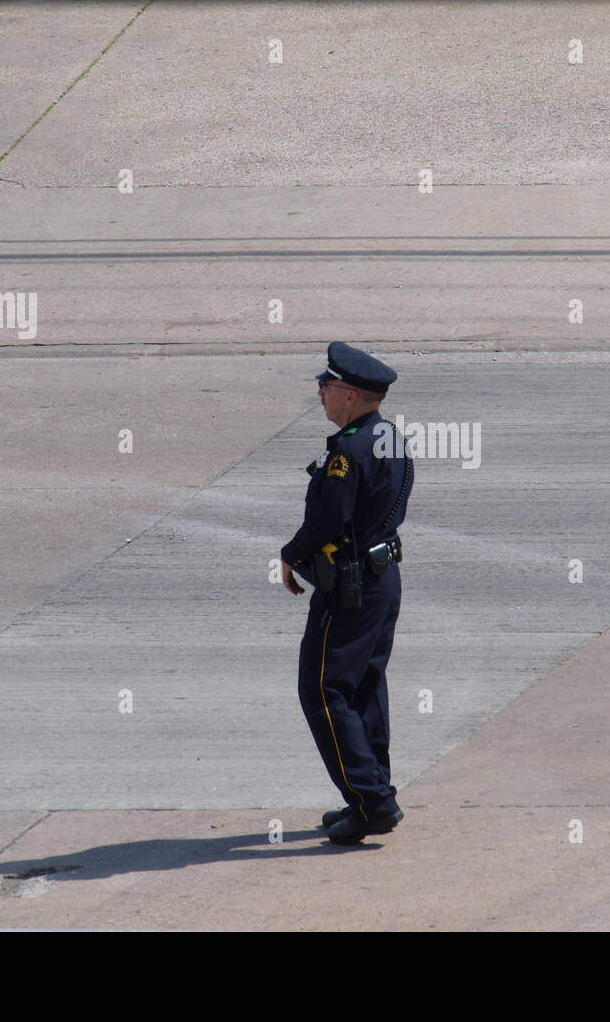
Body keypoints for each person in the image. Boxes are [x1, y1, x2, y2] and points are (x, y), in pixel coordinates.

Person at [280, 342, 414, 845]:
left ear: (351, 395)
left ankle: (370, 802)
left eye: (327, 387)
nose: (320, 394)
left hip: (351, 587)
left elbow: (328, 520)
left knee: (323, 689)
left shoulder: (348, 452)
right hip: (382, 580)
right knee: (363, 688)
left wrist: (290, 554)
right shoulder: (387, 438)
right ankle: (372, 794)